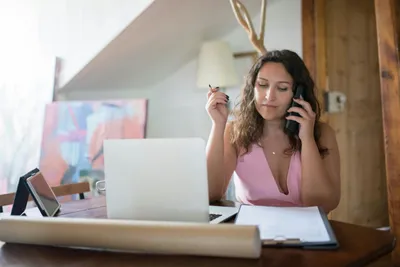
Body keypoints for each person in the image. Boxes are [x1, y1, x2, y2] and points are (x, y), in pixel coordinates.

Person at [205, 49, 340, 213]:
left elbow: (323, 205)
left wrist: (307, 139)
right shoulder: (233, 132)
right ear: (252, 88)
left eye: (282, 88)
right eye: (262, 85)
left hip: (307, 232)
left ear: (299, 93)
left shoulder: (323, 133)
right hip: (252, 232)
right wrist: (218, 125)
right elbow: (210, 195)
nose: (269, 96)